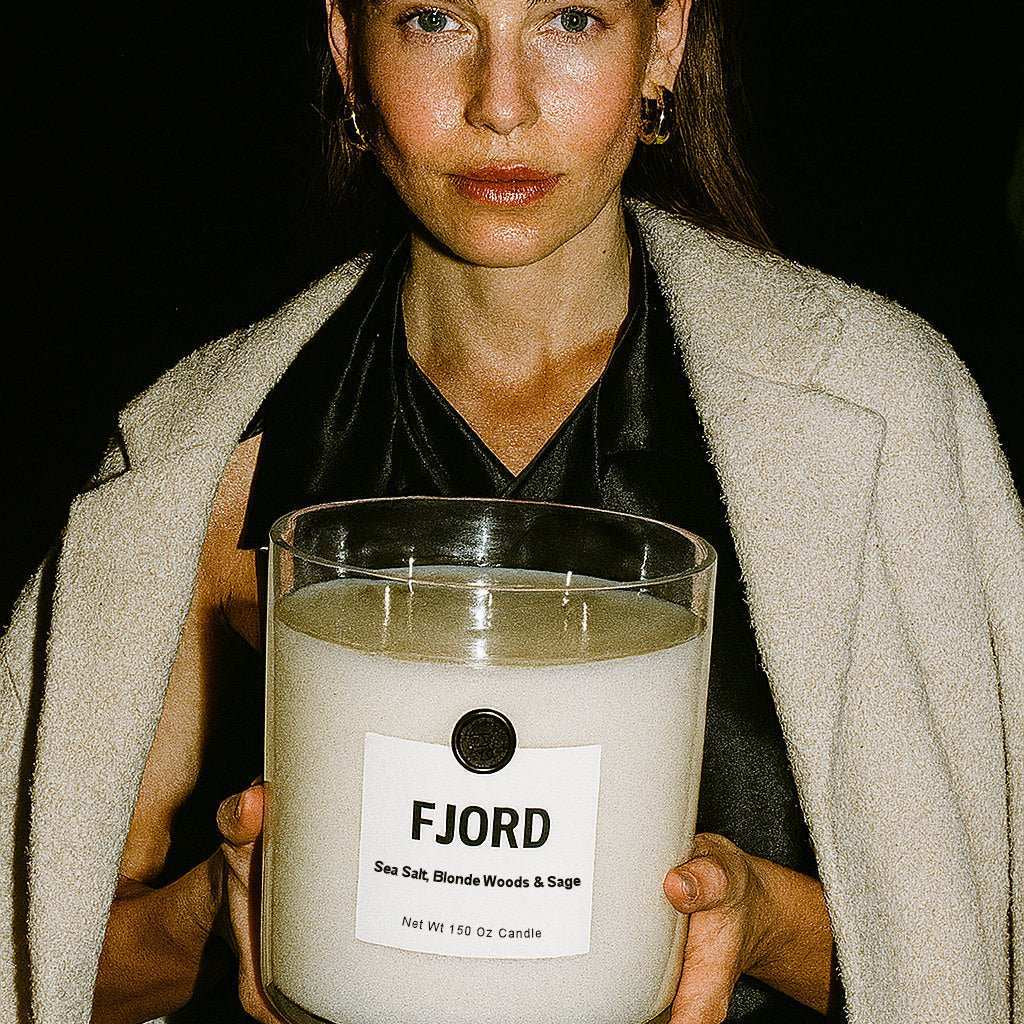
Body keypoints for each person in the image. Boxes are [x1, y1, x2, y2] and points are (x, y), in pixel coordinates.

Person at [1, 0, 1020, 1020]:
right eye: (434, 20)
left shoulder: (869, 418)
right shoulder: (208, 462)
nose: (500, 105)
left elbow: (980, 942)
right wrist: (235, 912)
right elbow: (43, 951)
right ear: (349, 50)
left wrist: (760, 919)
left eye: (570, 20)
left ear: (661, 43)